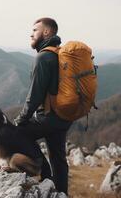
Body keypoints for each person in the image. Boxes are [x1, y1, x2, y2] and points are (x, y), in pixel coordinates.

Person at [14, 17, 72, 195]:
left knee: (16, 133)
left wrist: (21, 119)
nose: (31, 34)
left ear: (46, 32)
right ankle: (62, 193)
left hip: (48, 117)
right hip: (63, 117)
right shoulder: (58, 53)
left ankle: (45, 173)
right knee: (59, 158)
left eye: (34, 31)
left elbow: (35, 95)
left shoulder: (43, 57)